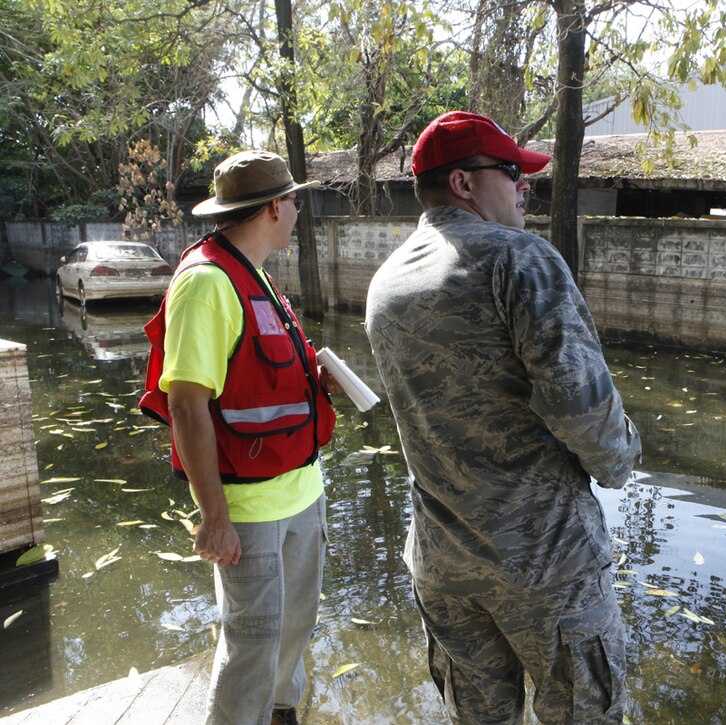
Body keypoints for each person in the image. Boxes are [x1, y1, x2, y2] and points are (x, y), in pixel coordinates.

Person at [365, 111, 642, 724]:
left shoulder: (386, 282)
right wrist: (624, 459)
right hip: (547, 563)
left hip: (442, 562)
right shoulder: (520, 260)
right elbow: (587, 413)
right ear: (463, 183)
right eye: (513, 172)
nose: (525, 186)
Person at [140, 150, 338, 725]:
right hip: (250, 510)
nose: (298, 209)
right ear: (275, 207)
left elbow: (255, 377)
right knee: (249, 652)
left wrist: (313, 380)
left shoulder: (256, 275)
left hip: (301, 494)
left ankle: (281, 716)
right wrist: (215, 517)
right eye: (294, 199)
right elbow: (185, 403)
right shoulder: (206, 283)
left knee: (290, 640)